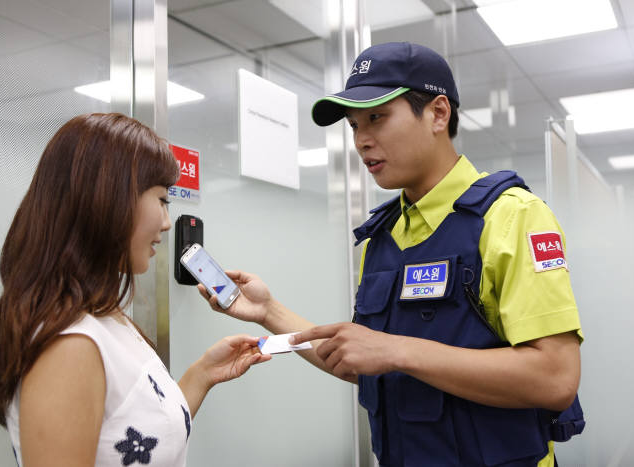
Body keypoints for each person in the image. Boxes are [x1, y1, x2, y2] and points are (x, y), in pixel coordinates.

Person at [201, 42, 584, 466]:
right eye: (353, 126)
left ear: (438, 113)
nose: (362, 141)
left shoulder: (512, 217)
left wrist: (396, 349)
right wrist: (268, 310)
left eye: (377, 118)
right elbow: (362, 360)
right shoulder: (382, 236)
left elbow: (556, 378)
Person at [0, 113, 270, 466]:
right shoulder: (69, 347)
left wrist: (203, 373)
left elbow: (140, 442)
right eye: (161, 200)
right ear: (106, 200)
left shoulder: (104, 316)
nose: (165, 223)